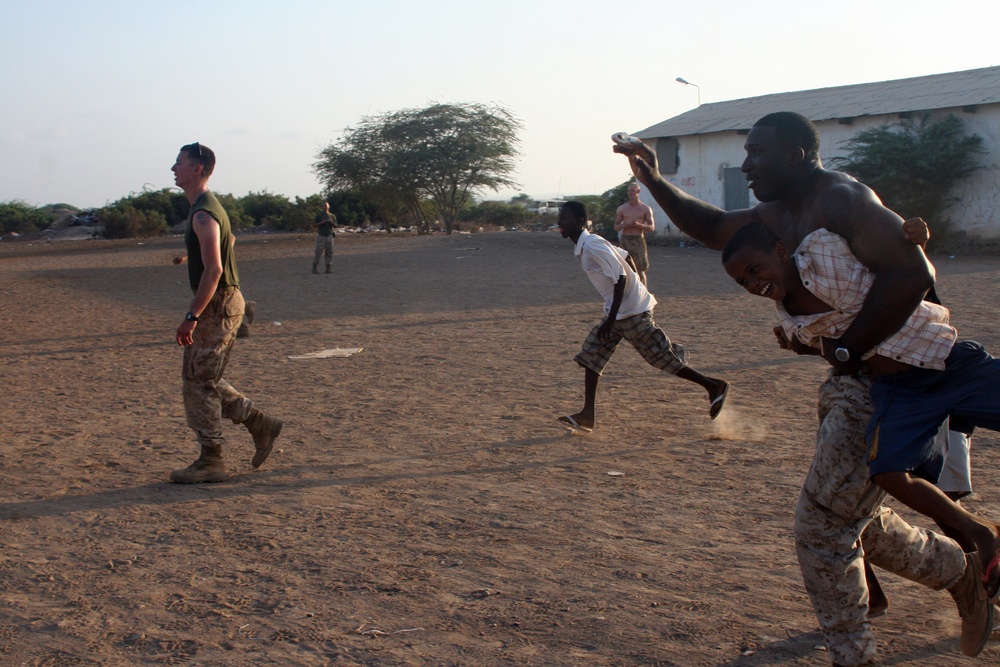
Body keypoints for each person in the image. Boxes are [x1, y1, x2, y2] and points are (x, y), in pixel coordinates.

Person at [614, 111, 992, 664]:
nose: (746, 165)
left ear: (796, 153)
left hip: (898, 377)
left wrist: (847, 347)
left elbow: (913, 276)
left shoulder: (840, 200)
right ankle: (961, 574)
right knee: (849, 514)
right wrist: (649, 174)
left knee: (820, 526)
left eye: (756, 153)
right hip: (852, 382)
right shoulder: (776, 214)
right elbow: (714, 225)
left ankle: (856, 650)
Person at [721, 221, 1000, 597]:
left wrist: (912, 239)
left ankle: (980, 586)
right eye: (743, 282)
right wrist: (805, 348)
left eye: (754, 271)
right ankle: (981, 544)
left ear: (783, 251)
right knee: (889, 476)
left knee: (943, 490)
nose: (753, 284)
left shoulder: (826, 252)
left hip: (949, 364)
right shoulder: (791, 318)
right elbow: (845, 358)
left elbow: (896, 262)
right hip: (900, 392)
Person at [555, 201, 729, 433]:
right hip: (619, 310)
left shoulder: (593, 245)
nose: (559, 223)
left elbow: (620, 278)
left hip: (630, 312)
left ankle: (713, 385)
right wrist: (632, 292)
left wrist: (619, 310)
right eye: (560, 217)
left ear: (578, 221)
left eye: (564, 218)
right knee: (591, 355)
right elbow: (625, 258)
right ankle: (587, 414)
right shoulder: (589, 243)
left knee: (659, 359)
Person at [170, 142, 283, 483]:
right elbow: (228, 243)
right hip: (223, 303)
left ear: (197, 169)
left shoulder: (203, 213)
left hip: (218, 304)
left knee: (198, 381)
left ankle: (212, 459)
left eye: (179, 163)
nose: (173, 169)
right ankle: (258, 423)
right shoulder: (205, 210)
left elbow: (215, 269)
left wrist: (192, 316)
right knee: (204, 378)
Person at [614, 182, 655, 287]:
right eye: (629, 191)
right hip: (625, 239)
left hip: (638, 240)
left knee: (641, 269)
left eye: (632, 190)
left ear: (638, 191)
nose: (630, 193)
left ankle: (643, 293)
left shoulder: (645, 208)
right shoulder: (622, 208)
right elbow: (616, 226)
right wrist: (624, 225)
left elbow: (651, 227)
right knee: (624, 268)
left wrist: (639, 225)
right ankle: (627, 294)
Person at [312, 201, 338, 274]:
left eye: (326, 206)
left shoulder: (332, 216)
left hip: (329, 235)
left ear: (329, 207)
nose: (325, 207)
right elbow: (314, 225)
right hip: (322, 235)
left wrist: (332, 222)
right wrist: (321, 223)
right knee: (318, 252)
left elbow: (336, 226)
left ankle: (328, 267)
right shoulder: (319, 216)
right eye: (324, 206)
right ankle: (314, 267)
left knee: (329, 252)